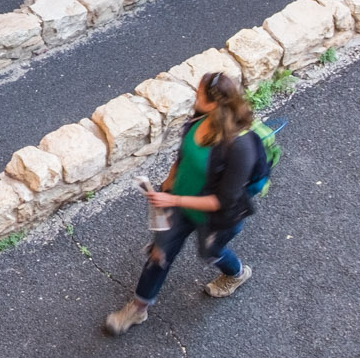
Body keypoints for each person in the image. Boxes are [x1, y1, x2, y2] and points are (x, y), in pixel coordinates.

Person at [103, 71, 261, 336]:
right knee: (159, 256)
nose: (195, 97)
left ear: (214, 103)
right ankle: (137, 310)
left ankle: (236, 274)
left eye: (199, 94)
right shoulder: (199, 120)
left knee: (211, 252)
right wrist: (169, 182)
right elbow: (183, 156)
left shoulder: (240, 147)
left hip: (215, 218)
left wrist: (172, 198)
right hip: (179, 204)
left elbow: (222, 201)